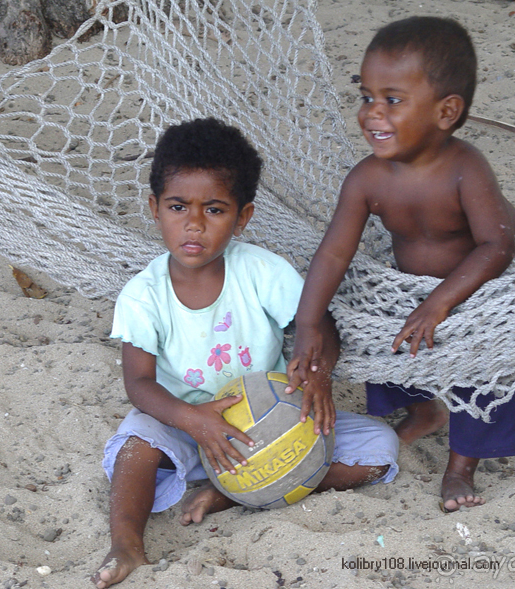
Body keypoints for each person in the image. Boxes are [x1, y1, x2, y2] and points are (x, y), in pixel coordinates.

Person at [92, 117, 399, 588]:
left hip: (273, 427)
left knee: (379, 448)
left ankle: (237, 494)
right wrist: (192, 421)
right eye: (178, 207)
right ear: (155, 209)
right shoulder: (142, 296)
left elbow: (318, 326)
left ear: (243, 217)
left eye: (214, 210)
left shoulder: (262, 272)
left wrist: (318, 372)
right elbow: (139, 384)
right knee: (135, 446)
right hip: (189, 425)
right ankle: (126, 542)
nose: (194, 224)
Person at [286, 16, 515, 513]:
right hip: (409, 288)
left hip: (481, 289)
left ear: (446, 112)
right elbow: (336, 251)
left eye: (393, 100)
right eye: (366, 97)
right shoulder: (367, 179)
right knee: (370, 321)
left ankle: (461, 465)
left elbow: (496, 247)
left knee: (491, 358)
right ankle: (424, 410)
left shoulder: (466, 169)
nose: (372, 113)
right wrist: (310, 320)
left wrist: (438, 305)